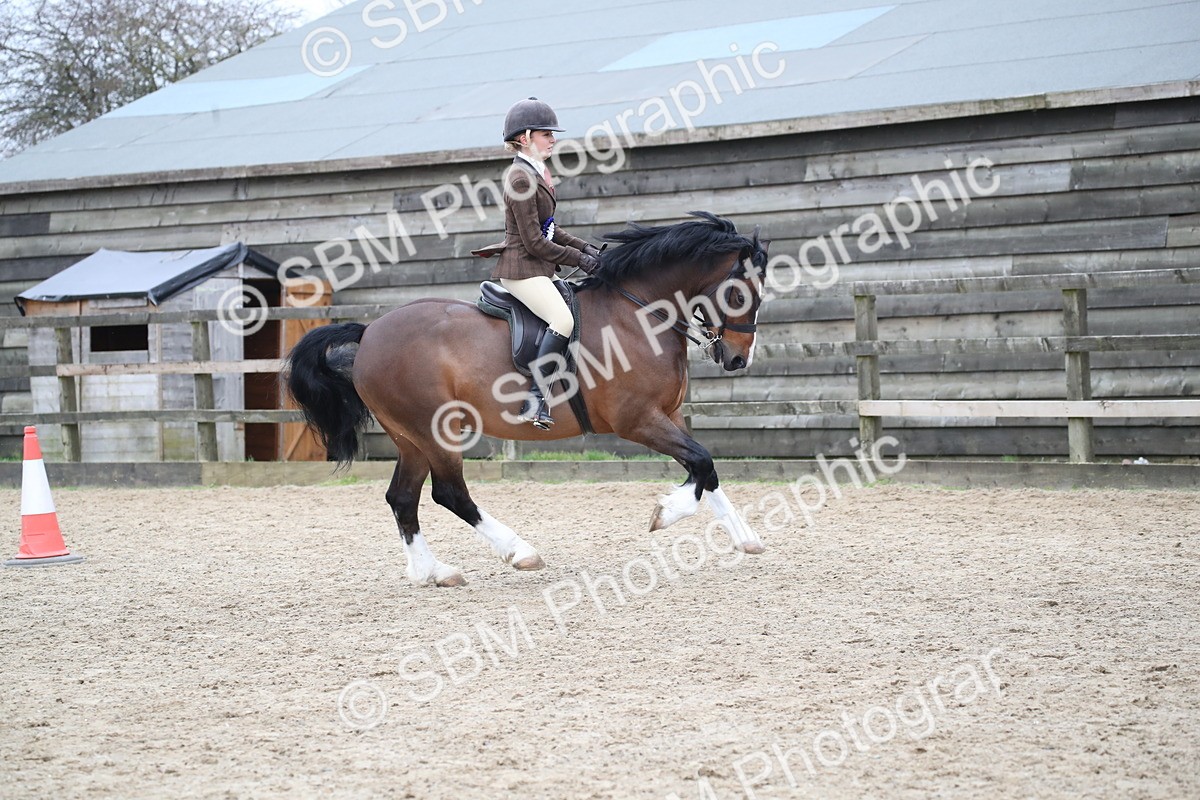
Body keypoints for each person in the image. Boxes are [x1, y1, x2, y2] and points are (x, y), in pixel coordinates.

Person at [471, 97, 602, 430]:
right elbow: (535, 242)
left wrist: (589, 249)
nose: (553, 139)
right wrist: (581, 261)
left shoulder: (536, 172)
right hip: (521, 270)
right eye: (546, 134)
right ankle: (534, 400)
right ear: (525, 137)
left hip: (536, 267)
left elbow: (552, 229)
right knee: (562, 319)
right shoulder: (520, 178)